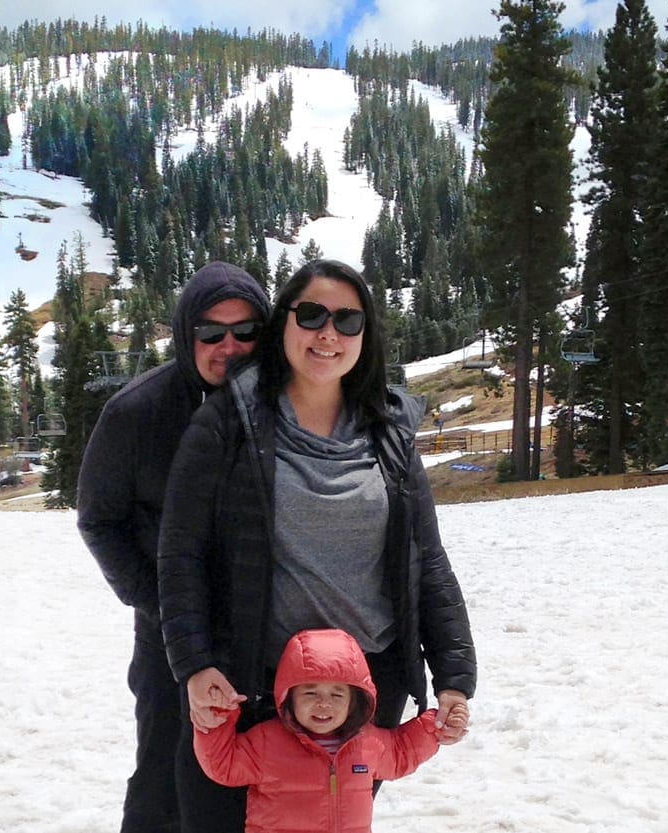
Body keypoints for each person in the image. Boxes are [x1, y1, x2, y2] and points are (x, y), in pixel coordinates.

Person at [158, 258, 477, 833]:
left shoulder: (390, 429)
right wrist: (195, 664)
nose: (328, 334)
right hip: (253, 683)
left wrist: (454, 677)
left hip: (363, 688)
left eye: (347, 321)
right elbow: (181, 552)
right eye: (312, 315)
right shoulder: (231, 420)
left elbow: (425, 560)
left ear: (365, 335)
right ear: (284, 324)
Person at [76, 261, 271, 833]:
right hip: (168, 638)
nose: (228, 347)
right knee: (163, 778)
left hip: (264, 630)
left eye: (244, 332)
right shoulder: (137, 413)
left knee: (255, 782)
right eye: (211, 333)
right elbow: (99, 520)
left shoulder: (283, 405)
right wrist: (157, 601)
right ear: (187, 336)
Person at [193, 628, 468, 833]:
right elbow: (223, 764)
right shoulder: (267, 741)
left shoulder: (367, 742)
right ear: (288, 697)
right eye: (310, 692)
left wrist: (435, 726)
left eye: (337, 695)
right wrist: (217, 719)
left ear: (355, 701)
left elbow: (401, 752)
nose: (323, 703)